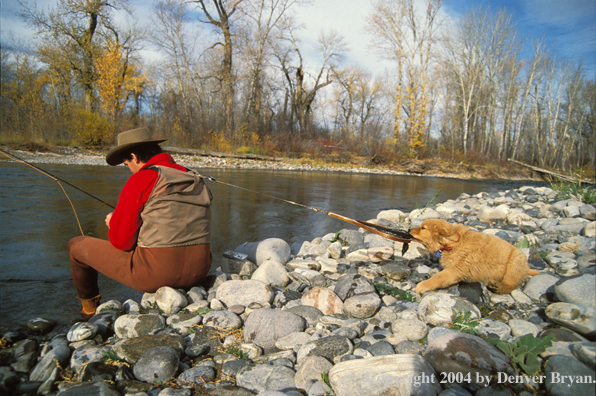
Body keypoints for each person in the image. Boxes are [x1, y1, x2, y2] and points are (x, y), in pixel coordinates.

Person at [68, 127, 213, 319]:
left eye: (125, 163)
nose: (128, 168)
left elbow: (122, 243)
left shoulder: (142, 178)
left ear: (134, 157)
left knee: (76, 246)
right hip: (200, 270)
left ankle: (89, 311)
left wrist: (113, 223)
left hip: (158, 274)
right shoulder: (193, 176)